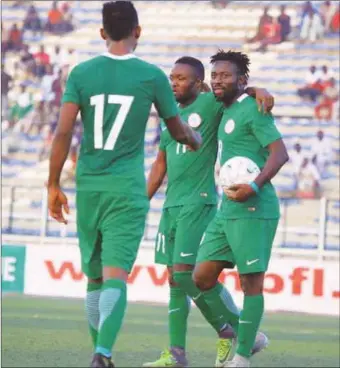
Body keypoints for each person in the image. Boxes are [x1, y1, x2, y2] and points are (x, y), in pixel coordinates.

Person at [47, 2, 202, 368]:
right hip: (126, 189)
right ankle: (102, 354)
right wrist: (194, 138)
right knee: (116, 274)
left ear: (102, 33)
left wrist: (53, 185)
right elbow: (177, 129)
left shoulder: (82, 73)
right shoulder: (151, 76)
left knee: (95, 275)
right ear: (138, 31)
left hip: (88, 187)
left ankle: (102, 355)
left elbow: (64, 131)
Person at [143, 56, 274, 368]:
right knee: (174, 280)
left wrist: (259, 89)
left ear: (198, 83)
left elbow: (233, 92)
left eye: (180, 78)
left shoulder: (211, 104)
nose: (173, 83)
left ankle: (233, 330)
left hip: (199, 201)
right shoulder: (168, 115)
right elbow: (160, 163)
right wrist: (141, 200)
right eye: (171, 77)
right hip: (172, 204)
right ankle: (176, 353)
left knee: (187, 274)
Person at [192, 50, 289, 368]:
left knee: (251, 284)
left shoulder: (255, 110)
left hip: (254, 207)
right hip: (227, 208)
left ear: (242, 79)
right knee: (201, 277)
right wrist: (251, 88)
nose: (218, 80)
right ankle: (249, 334)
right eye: (215, 75)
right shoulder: (225, 106)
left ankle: (243, 356)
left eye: (225, 75)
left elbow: (279, 154)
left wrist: (255, 186)